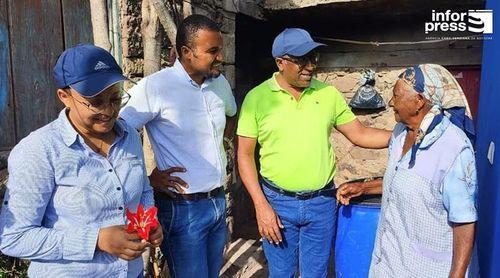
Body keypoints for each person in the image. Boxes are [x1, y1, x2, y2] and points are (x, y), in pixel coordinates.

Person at [236, 28, 392, 278]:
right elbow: (244, 156)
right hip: (277, 204)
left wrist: (402, 136)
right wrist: (260, 205)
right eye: (302, 60)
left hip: (322, 203)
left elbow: (359, 134)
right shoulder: (257, 99)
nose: (310, 66)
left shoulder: (327, 94)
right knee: (281, 273)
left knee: (316, 274)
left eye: (314, 58)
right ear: (281, 63)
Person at [0, 44, 162, 277]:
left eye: (115, 98)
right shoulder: (39, 150)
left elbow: (144, 191)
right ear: (65, 97)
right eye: (95, 102)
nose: (108, 110)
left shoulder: (128, 136)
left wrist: (149, 222)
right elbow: (14, 238)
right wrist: (97, 240)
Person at [120, 14, 237, 278]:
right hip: (183, 210)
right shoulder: (156, 87)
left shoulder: (219, 84)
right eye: (212, 51)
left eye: (220, 50)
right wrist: (145, 180)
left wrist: (225, 142)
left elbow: (232, 113)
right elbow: (118, 130)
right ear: (186, 52)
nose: (220, 57)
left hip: (217, 202)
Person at [336, 64, 477, 277]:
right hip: (390, 261)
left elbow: (464, 221)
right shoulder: (400, 133)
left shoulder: (453, 148)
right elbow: (404, 181)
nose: (391, 102)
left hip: (428, 268)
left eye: (396, 96)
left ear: (419, 101)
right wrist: (364, 188)